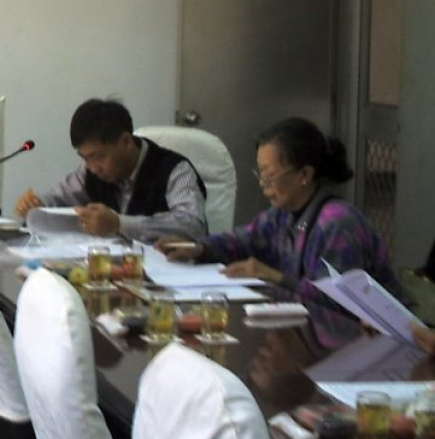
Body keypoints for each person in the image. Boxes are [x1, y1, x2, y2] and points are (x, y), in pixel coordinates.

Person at [155, 117, 401, 303]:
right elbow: (242, 241)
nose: (263, 185)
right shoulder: (281, 215)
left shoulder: (337, 223)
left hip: (382, 339)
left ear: (305, 174)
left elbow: (339, 301)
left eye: (270, 177)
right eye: (260, 175)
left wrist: (274, 276)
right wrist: (199, 248)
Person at [13, 98, 207, 242]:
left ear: (126, 142)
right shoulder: (90, 171)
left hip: (166, 274)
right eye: (85, 158)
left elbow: (193, 225)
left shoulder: (175, 170)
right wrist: (37, 203)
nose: (92, 168)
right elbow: (59, 197)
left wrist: (119, 223)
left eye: (98, 156)